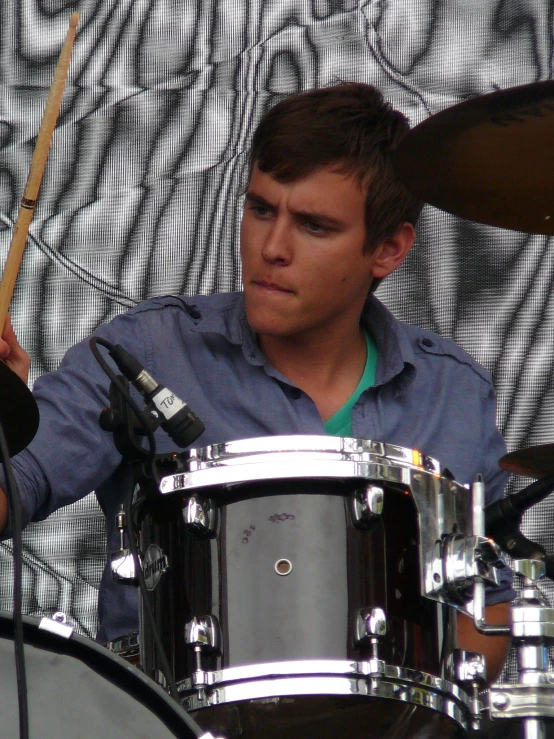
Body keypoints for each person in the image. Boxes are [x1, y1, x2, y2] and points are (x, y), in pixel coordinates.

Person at [0, 83, 513, 680]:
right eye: (261, 209)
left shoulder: (452, 394)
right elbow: (18, 484)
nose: (271, 247)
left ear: (390, 248)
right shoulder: (145, 354)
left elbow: (489, 603)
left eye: (314, 226)